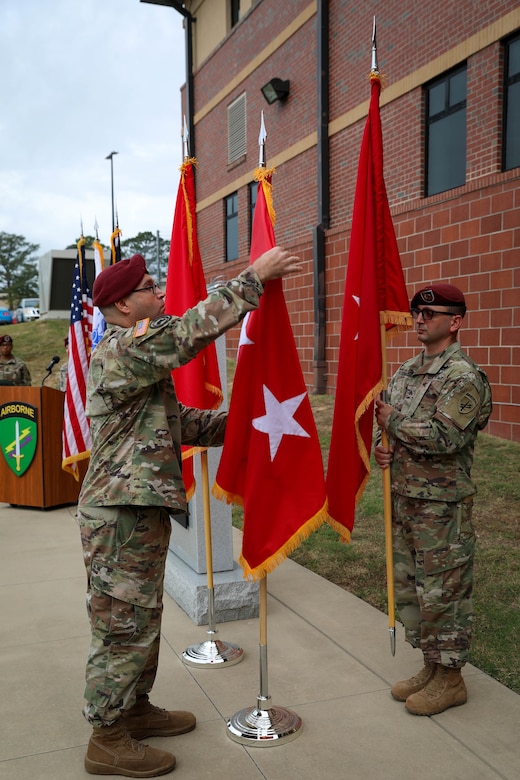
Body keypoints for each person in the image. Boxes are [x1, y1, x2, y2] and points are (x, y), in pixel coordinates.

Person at [77, 248, 301, 777]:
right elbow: (187, 335)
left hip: (136, 513)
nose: (160, 293)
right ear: (124, 306)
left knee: (142, 618)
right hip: (119, 517)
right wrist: (253, 282)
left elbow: (182, 425)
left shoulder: (134, 360)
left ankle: (133, 708)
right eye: (150, 288)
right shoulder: (121, 352)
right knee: (120, 628)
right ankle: (105, 737)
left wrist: (255, 419)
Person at [374, 283, 492, 717]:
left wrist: (395, 423)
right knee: (414, 589)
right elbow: (384, 423)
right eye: (416, 313)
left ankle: (452, 678)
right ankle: (431, 664)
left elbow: (446, 436)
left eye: (431, 314)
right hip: (406, 500)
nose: (419, 320)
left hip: (442, 507)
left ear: (455, 322)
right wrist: (380, 444)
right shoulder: (406, 370)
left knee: (444, 590)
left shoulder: (463, 376)